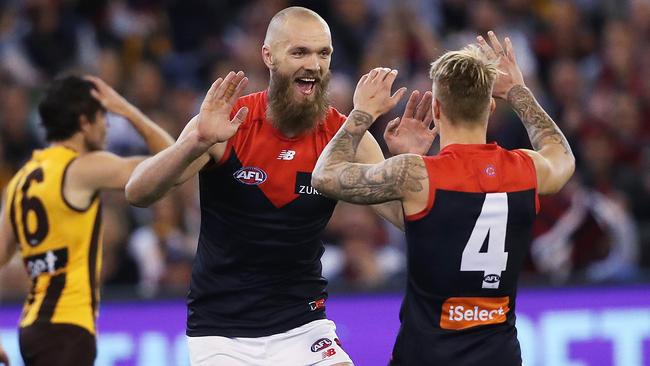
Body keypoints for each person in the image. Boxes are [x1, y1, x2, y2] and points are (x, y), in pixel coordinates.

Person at [125, 6, 433, 366]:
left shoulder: (345, 136)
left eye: (323, 53)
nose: (314, 64)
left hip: (304, 327)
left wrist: (408, 166)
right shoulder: (227, 123)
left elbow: (405, 218)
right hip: (223, 333)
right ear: (268, 56)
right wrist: (193, 143)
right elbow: (138, 193)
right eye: (300, 52)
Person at [312, 31, 575, 365]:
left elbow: (324, 175)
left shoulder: (417, 176)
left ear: (436, 108)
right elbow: (562, 156)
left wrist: (362, 113)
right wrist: (517, 91)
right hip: (499, 356)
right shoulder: (527, 169)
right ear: (491, 106)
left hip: (426, 355)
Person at [0, 75, 174, 366]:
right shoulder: (82, 168)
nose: (107, 126)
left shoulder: (19, 181)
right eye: (103, 117)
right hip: (67, 328)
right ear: (84, 122)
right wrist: (127, 110)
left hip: (31, 328)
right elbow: (172, 160)